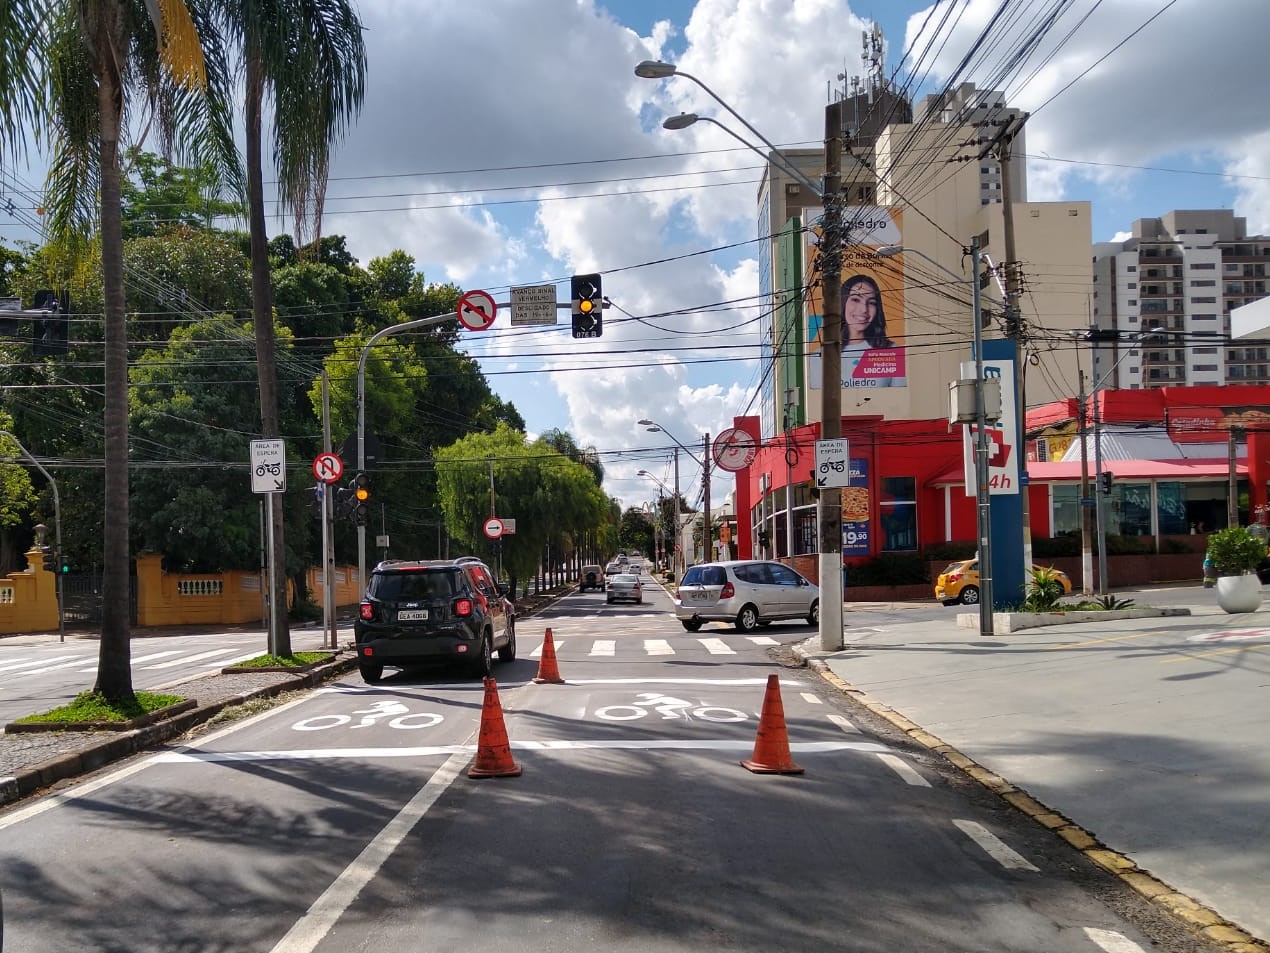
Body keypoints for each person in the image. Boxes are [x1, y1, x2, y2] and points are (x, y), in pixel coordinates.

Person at [840, 273, 897, 387]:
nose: (864, 309)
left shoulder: (890, 351)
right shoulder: (818, 356)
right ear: (843, 302)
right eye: (856, 299)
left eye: (871, 303)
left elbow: (900, 394)